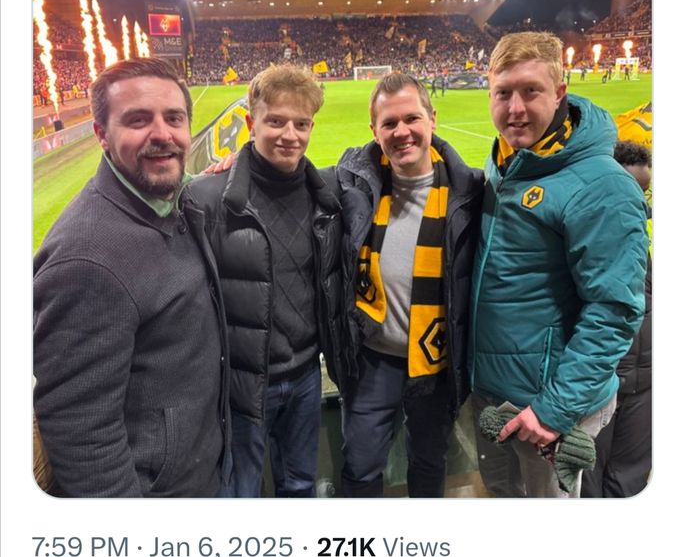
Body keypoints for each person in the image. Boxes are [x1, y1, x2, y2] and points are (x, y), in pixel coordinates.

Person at [34, 58, 229, 497]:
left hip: (202, 474)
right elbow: (82, 433)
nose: (162, 134)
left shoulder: (171, 202)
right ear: (102, 134)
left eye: (173, 118)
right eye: (138, 120)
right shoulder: (87, 260)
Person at [469, 32, 648, 498]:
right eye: (503, 93)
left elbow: (615, 312)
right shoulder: (509, 165)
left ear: (560, 93)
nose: (515, 109)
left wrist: (554, 411)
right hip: (498, 398)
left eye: (531, 91)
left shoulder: (602, 185)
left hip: (547, 414)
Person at [185, 65, 344, 497]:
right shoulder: (207, 198)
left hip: (308, 376)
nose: (289, 134)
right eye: (275, 121)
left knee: (300, 486)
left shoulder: (325, 193)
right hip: (242, 387)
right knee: (241, 493)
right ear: (252, 123)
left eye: (301, 123)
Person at [336, 73, 483, 497]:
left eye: (411, 118)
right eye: (389, 123)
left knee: (429, 461)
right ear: (374, 131)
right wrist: (237, 163)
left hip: (435, 362)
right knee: (360, 464)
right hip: (372, 359)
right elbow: (286, 177)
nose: (402, 132)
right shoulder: (352, 183)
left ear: (432, 119)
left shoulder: (469, 191)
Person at [582, 141, 652, 497]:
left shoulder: (644, 245)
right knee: (585, 482)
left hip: (644, 385)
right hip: (597, 388)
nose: (638, 204)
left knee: (629, 483)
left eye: (643, 193)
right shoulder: (582, 243)